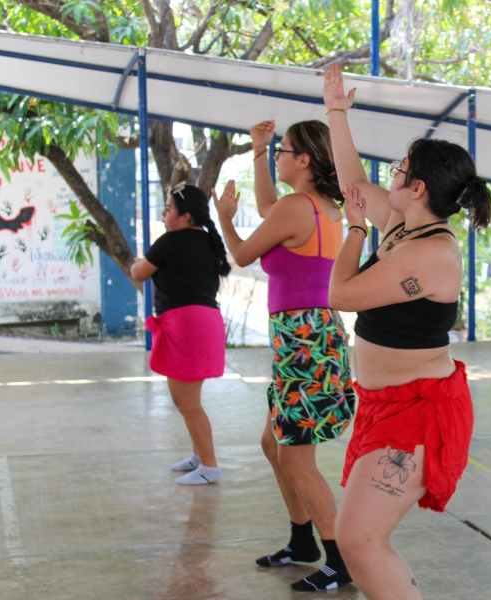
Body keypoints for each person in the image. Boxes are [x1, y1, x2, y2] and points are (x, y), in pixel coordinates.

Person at [322, 62, 491, 600]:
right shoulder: (403, 226)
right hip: (386, 405)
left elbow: (342, 295)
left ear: (415, 186)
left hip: (420, 412)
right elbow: (351, 185)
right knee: (364, 540)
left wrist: (352, 229)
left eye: (398, 169)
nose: (389, 175)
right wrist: (336, 112)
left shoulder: (433, 253)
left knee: (359, 539)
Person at [212, 119, 356, 592]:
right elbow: (269, 207)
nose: (277, 157)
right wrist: (258, 149)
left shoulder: (298, 207)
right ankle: (302, 542)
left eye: (281, 151)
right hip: (311, 333)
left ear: (304, 160)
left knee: (295, 457)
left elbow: (242, 255)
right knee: (275, 445)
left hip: (303, 339)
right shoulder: (319, 207)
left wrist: (226, 221)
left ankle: (340, 559)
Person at [131, 183, 230, 486]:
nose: (164, 213)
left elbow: (138, 273)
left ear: (186, 216)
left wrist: (138, 260)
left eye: (169, 209)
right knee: (189, 399)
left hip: (186, 324)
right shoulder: (209, 243)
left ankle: (210, 467)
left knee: (187, 403)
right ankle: (199, 457)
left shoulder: (170, 242)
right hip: (206, 321)